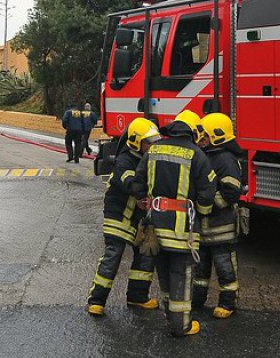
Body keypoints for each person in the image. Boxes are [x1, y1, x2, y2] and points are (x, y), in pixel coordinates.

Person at [131, 110, 216, 337]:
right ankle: (181, 325)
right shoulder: (197, 155)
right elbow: (208, 192)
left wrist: (145, 202)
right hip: (182, 228)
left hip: (154, 226)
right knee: (182, 273)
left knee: (164, 270)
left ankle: (170, 314)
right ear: (191, 134)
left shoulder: (154, 151)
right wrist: (201, 210)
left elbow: (137, 183)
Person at [87, 118, 162, 316]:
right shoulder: (125, 160)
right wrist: (142, 194)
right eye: (149, 142)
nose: (153, 145)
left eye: (155, 141)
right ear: (137, 142)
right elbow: (131, 182)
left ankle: (137, 297)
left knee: (145, 257)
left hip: (138, 219)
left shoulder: (149, 159)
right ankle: (97, 300)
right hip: (119, 217)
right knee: (113, 256)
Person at [192, 113, 242, 318]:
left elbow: (232, 192)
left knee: (224, 266)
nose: (200, 139)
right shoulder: (205, 156)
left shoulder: (225, 160)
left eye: (204, 136)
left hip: (221, 226)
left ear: (217, 136)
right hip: (204, 227)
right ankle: (197, 299)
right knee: (200, 267)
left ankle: (228, 302)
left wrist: (209, 204)